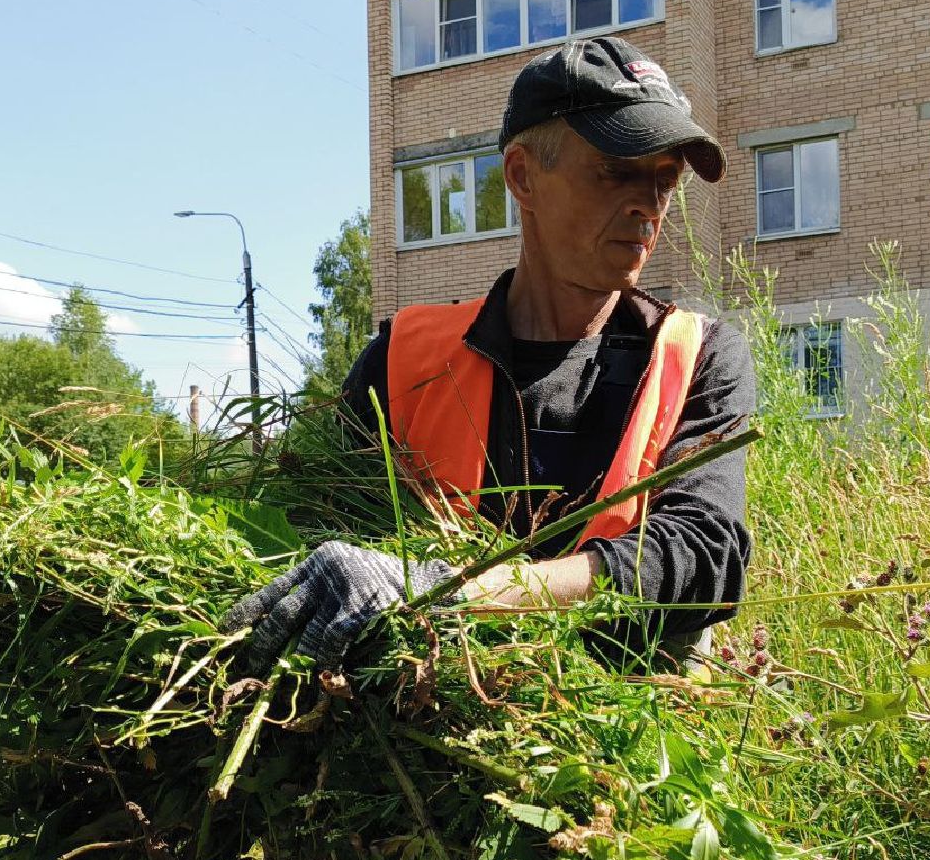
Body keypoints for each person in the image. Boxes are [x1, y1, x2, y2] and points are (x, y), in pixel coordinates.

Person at [224, 36, 755, 675]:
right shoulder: (403, 358)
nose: (648, 205)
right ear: (523, 176)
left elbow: (705, 557)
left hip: (628, 745)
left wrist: (448, 594)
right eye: (616, 170)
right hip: (417, 733)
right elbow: (309, 535)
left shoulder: (697, 357)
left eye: (664, 181)